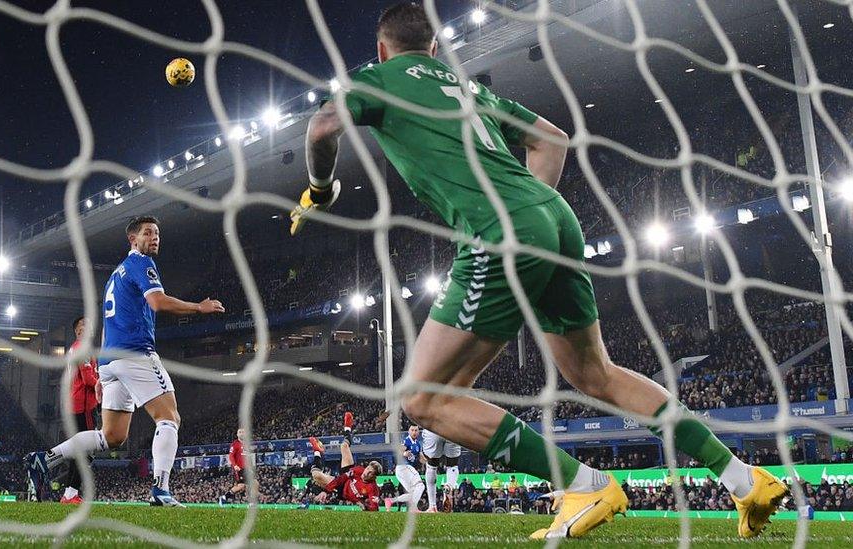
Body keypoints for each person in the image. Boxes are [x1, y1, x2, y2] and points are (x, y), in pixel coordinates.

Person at [290, 2, 786, 539]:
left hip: (500, 231)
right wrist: (532, 227)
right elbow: (552, 139)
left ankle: (584, 483)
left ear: (382, 49)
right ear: (434, 49)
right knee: (596, 375)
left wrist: (320, 189)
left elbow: (321, 128)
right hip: (555, 218)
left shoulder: (377, 79)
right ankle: (742, 478)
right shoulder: (469, 91)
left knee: (421, 400)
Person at [27, 215, 226, 506]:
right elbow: (157, 302)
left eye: (157, 233)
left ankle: (45, 459)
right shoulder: (141, 263)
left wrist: (105, 371)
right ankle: (161, 490)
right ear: (133, 239)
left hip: (111, 359)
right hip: (135, 352)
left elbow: (110, 323)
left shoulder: (116, 274)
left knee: (111, 436)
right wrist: (199, 306)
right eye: (148, 233)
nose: (155, 237)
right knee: (169, 418)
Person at [60, 315, 100, 504]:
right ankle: (71, 493)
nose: (90, 327)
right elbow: (88, 380)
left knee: (79, 451)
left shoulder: (75, 349)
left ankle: (69, 494)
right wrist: (104, 386)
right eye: (86, 324)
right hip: (83, 405)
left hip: (74, 404)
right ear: (78, 331)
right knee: (87, 451)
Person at [307, 413, 383, 511]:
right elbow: (342, 478)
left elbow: (375, 509)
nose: (366, 472)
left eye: (370, 472)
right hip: (345, 477)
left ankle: (317, 451)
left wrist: (364, 506)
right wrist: (326, 491)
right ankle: (347, 428)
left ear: (374, 477)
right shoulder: (359, 470)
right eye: (367, 468)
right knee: (344, 446)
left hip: (342, 490)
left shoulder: (373, 489)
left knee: (316, 475)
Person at [384, 424, 425, 510]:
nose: (414, 432)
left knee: (413, 493)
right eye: (412, 430)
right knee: (420, 486)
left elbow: (422, 459)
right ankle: (413, 508)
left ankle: (390, 501)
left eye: (416, 430)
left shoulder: (418, 444)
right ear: (409, 432)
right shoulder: (407, 440)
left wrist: (430, 462)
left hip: (402, 471)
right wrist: (404, 453)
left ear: (418, 432)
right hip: (405, 467)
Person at [421, 429, 460, 513]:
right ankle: (449, 485)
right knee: (452, 465)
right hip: (453, 427)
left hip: (432, 428)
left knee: (431, 466)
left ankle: (432, 506)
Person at [220, 428, 259, 505]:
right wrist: (235, 465)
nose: (241, 433)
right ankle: (251, 503)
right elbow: (231, 456)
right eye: (239, 432)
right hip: (240, 468)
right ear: (237, 434)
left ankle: (224, 498)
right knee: (247, 484)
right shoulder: (235, 444)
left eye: (243, 432)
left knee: (245, 485)